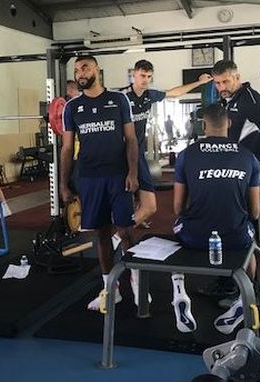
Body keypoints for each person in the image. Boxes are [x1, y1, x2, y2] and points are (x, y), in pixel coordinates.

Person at [119, 59, 212, 304]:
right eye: (141, 76)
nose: (145, 80)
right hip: (120, 157)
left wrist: (199, 83)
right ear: (133, 75)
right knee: (126, 211)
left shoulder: (149, 96)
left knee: (150, 207)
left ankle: (116, 237)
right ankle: (125, 262)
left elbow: (174, 93)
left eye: (148, 76)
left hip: (138, 155)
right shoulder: (120, 97)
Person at [172, 104, 260, 334]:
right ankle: (245, 297)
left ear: (203, 126)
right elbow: (256, 212)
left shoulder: (185, 155)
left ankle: (179, 289)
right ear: (229, 124)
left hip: (194, 237)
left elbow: (177, 207)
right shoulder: (248, 157)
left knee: (175, 231)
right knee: (252, 243)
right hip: (235, 238)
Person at [60, 55, 138, 311]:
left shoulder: (118, 100)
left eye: (85, 68)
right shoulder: (72, 107)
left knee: (125, 231)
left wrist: (133, 173)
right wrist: (63, 184)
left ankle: (139, 285)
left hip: (118, 176)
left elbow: (131, 139)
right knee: (101, 234)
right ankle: (110, 290)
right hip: (90, 179)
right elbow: (67, 147)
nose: (80, 73)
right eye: (77, 70)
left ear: (97, 70)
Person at [212, 59, 260, 241]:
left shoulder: (250, 100)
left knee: (248, 216)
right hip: (231, 166)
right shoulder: (228, 99)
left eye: (225, 81)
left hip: (245, 168)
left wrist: (252, 159)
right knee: (232, 213)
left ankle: (253, 258)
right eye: (217, 83)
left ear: (237, 77)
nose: (221, 86)